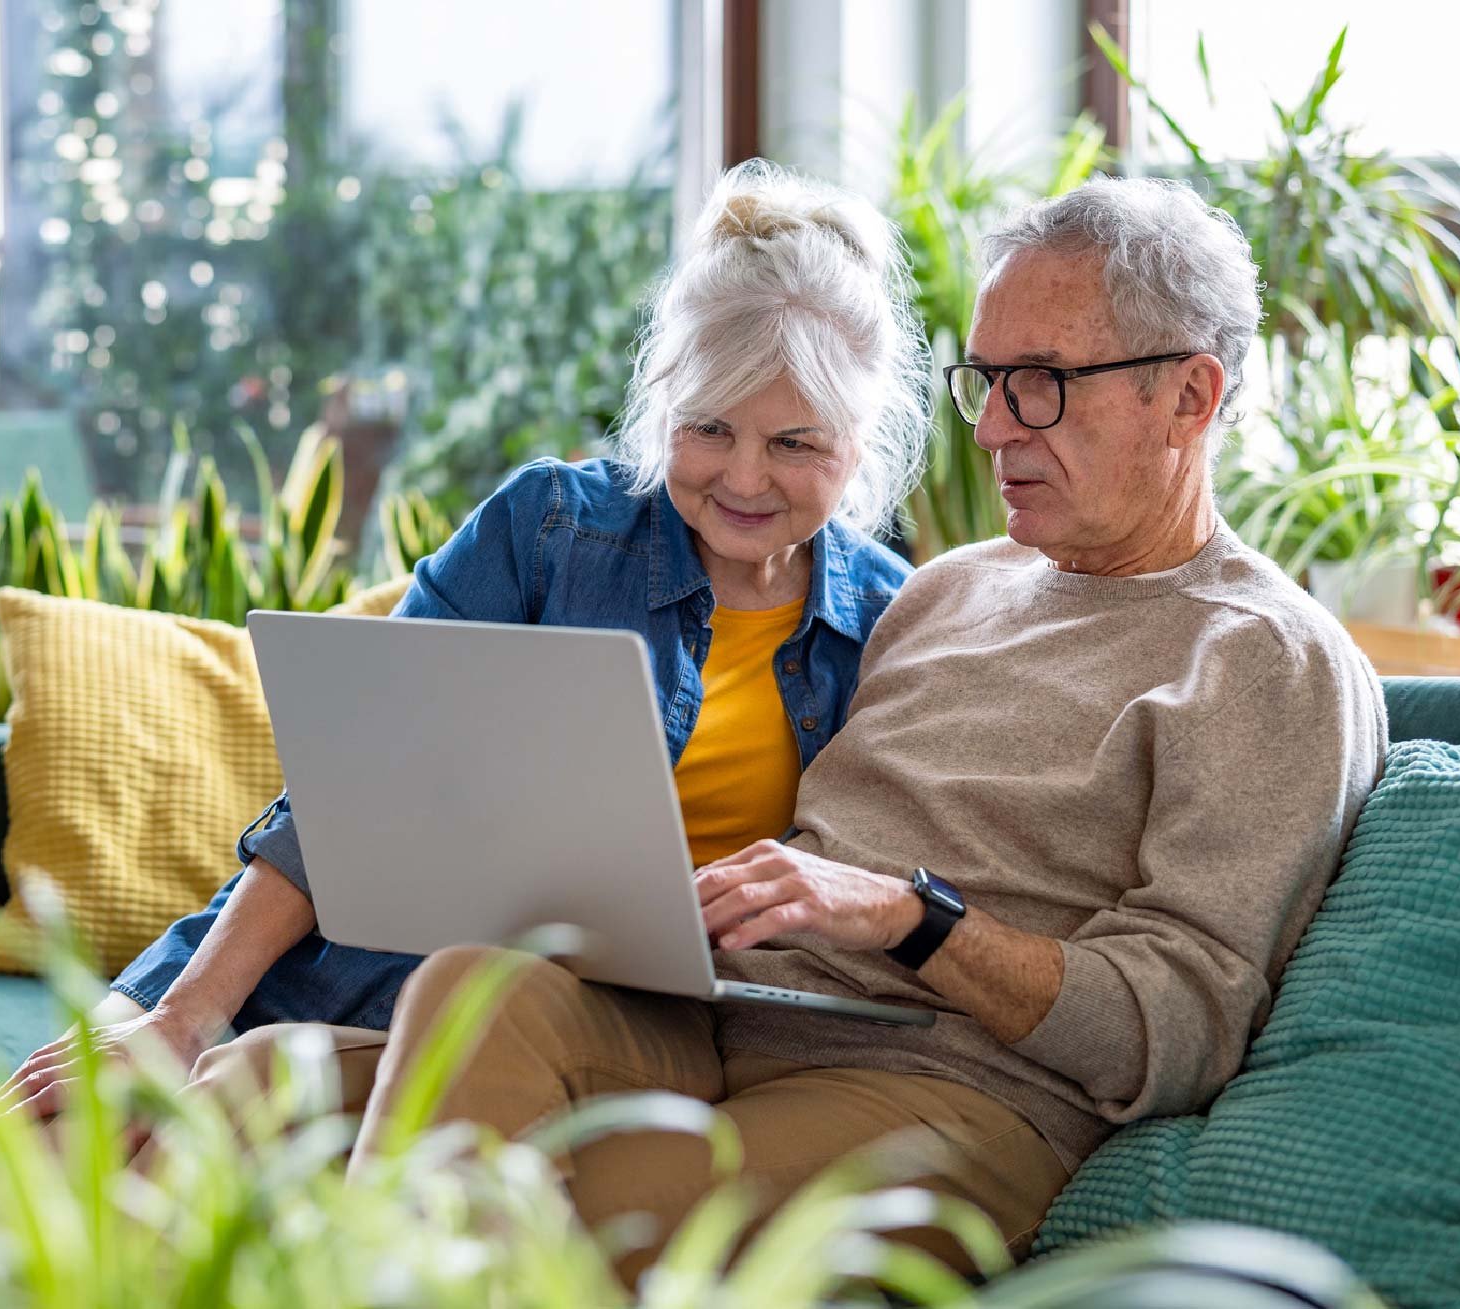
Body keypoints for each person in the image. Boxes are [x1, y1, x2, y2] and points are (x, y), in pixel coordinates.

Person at [323, 176, 1391, 1282]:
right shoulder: (945, 592)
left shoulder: (1264, 657)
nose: (989, 429)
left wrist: (909, 918)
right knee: (355, 1039)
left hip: (957, 1092)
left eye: (1039, 386)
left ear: (1190, 396)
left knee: (531, 1206)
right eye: (982, 382)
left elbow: (1178, 1031)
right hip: (729, 1024)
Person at [0, 160, 931, 1169]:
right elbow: (347, 786)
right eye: (708, 427)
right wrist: (188, 1011)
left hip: (573, 1024)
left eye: (793, 442)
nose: (743, 475)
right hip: (340, 958)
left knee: (164, 1165)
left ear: (858, 444)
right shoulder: (551, 529)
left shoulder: (894, 621)